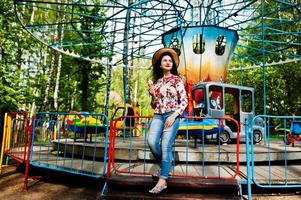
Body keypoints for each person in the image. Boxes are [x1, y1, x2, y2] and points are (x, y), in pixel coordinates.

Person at [147, 48, 188, 194]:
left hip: (172, 114)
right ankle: (166, 167)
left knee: (165, 145)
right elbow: (154, 105)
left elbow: (184, 101)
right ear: (160, 65)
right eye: (165, 60)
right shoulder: (156, 83)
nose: (168, 62)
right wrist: (152, 95)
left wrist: (174, 115)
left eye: (170, 60)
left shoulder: (177, 80)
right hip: (158, 115)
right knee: (151, 142)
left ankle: (162, 180)